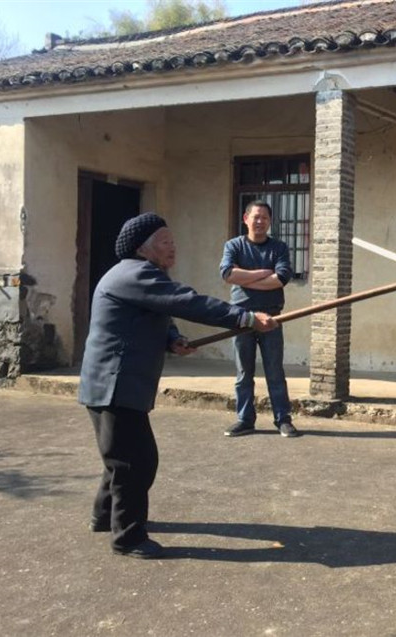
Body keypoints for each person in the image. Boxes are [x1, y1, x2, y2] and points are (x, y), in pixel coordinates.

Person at [79, 213, 278, 559]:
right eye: (166, 241)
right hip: (114, 384)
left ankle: (104, 516)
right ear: (144, 248)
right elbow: (186, 301)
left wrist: (172, 339)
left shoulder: (141, 277)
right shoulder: (136, 273)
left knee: (122, 458)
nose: (174, 248)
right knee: (134, 462)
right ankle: (127, 537)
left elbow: (161, 315)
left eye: (173, 240)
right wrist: (245, 318)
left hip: (118, 385)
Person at [220, 201, 298, 438]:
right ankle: (245, 420)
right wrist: (263, 273)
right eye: (256, 216)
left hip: (272, 317)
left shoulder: (279, 247)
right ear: (246, 218)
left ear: (270, 221)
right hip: (242, 317)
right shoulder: (233, 245)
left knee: (275, 371)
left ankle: (283, 419)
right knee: (244, 372)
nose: (260, 221)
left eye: (264, 217)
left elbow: (281, 278)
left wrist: (245, 279)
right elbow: (227, 274)